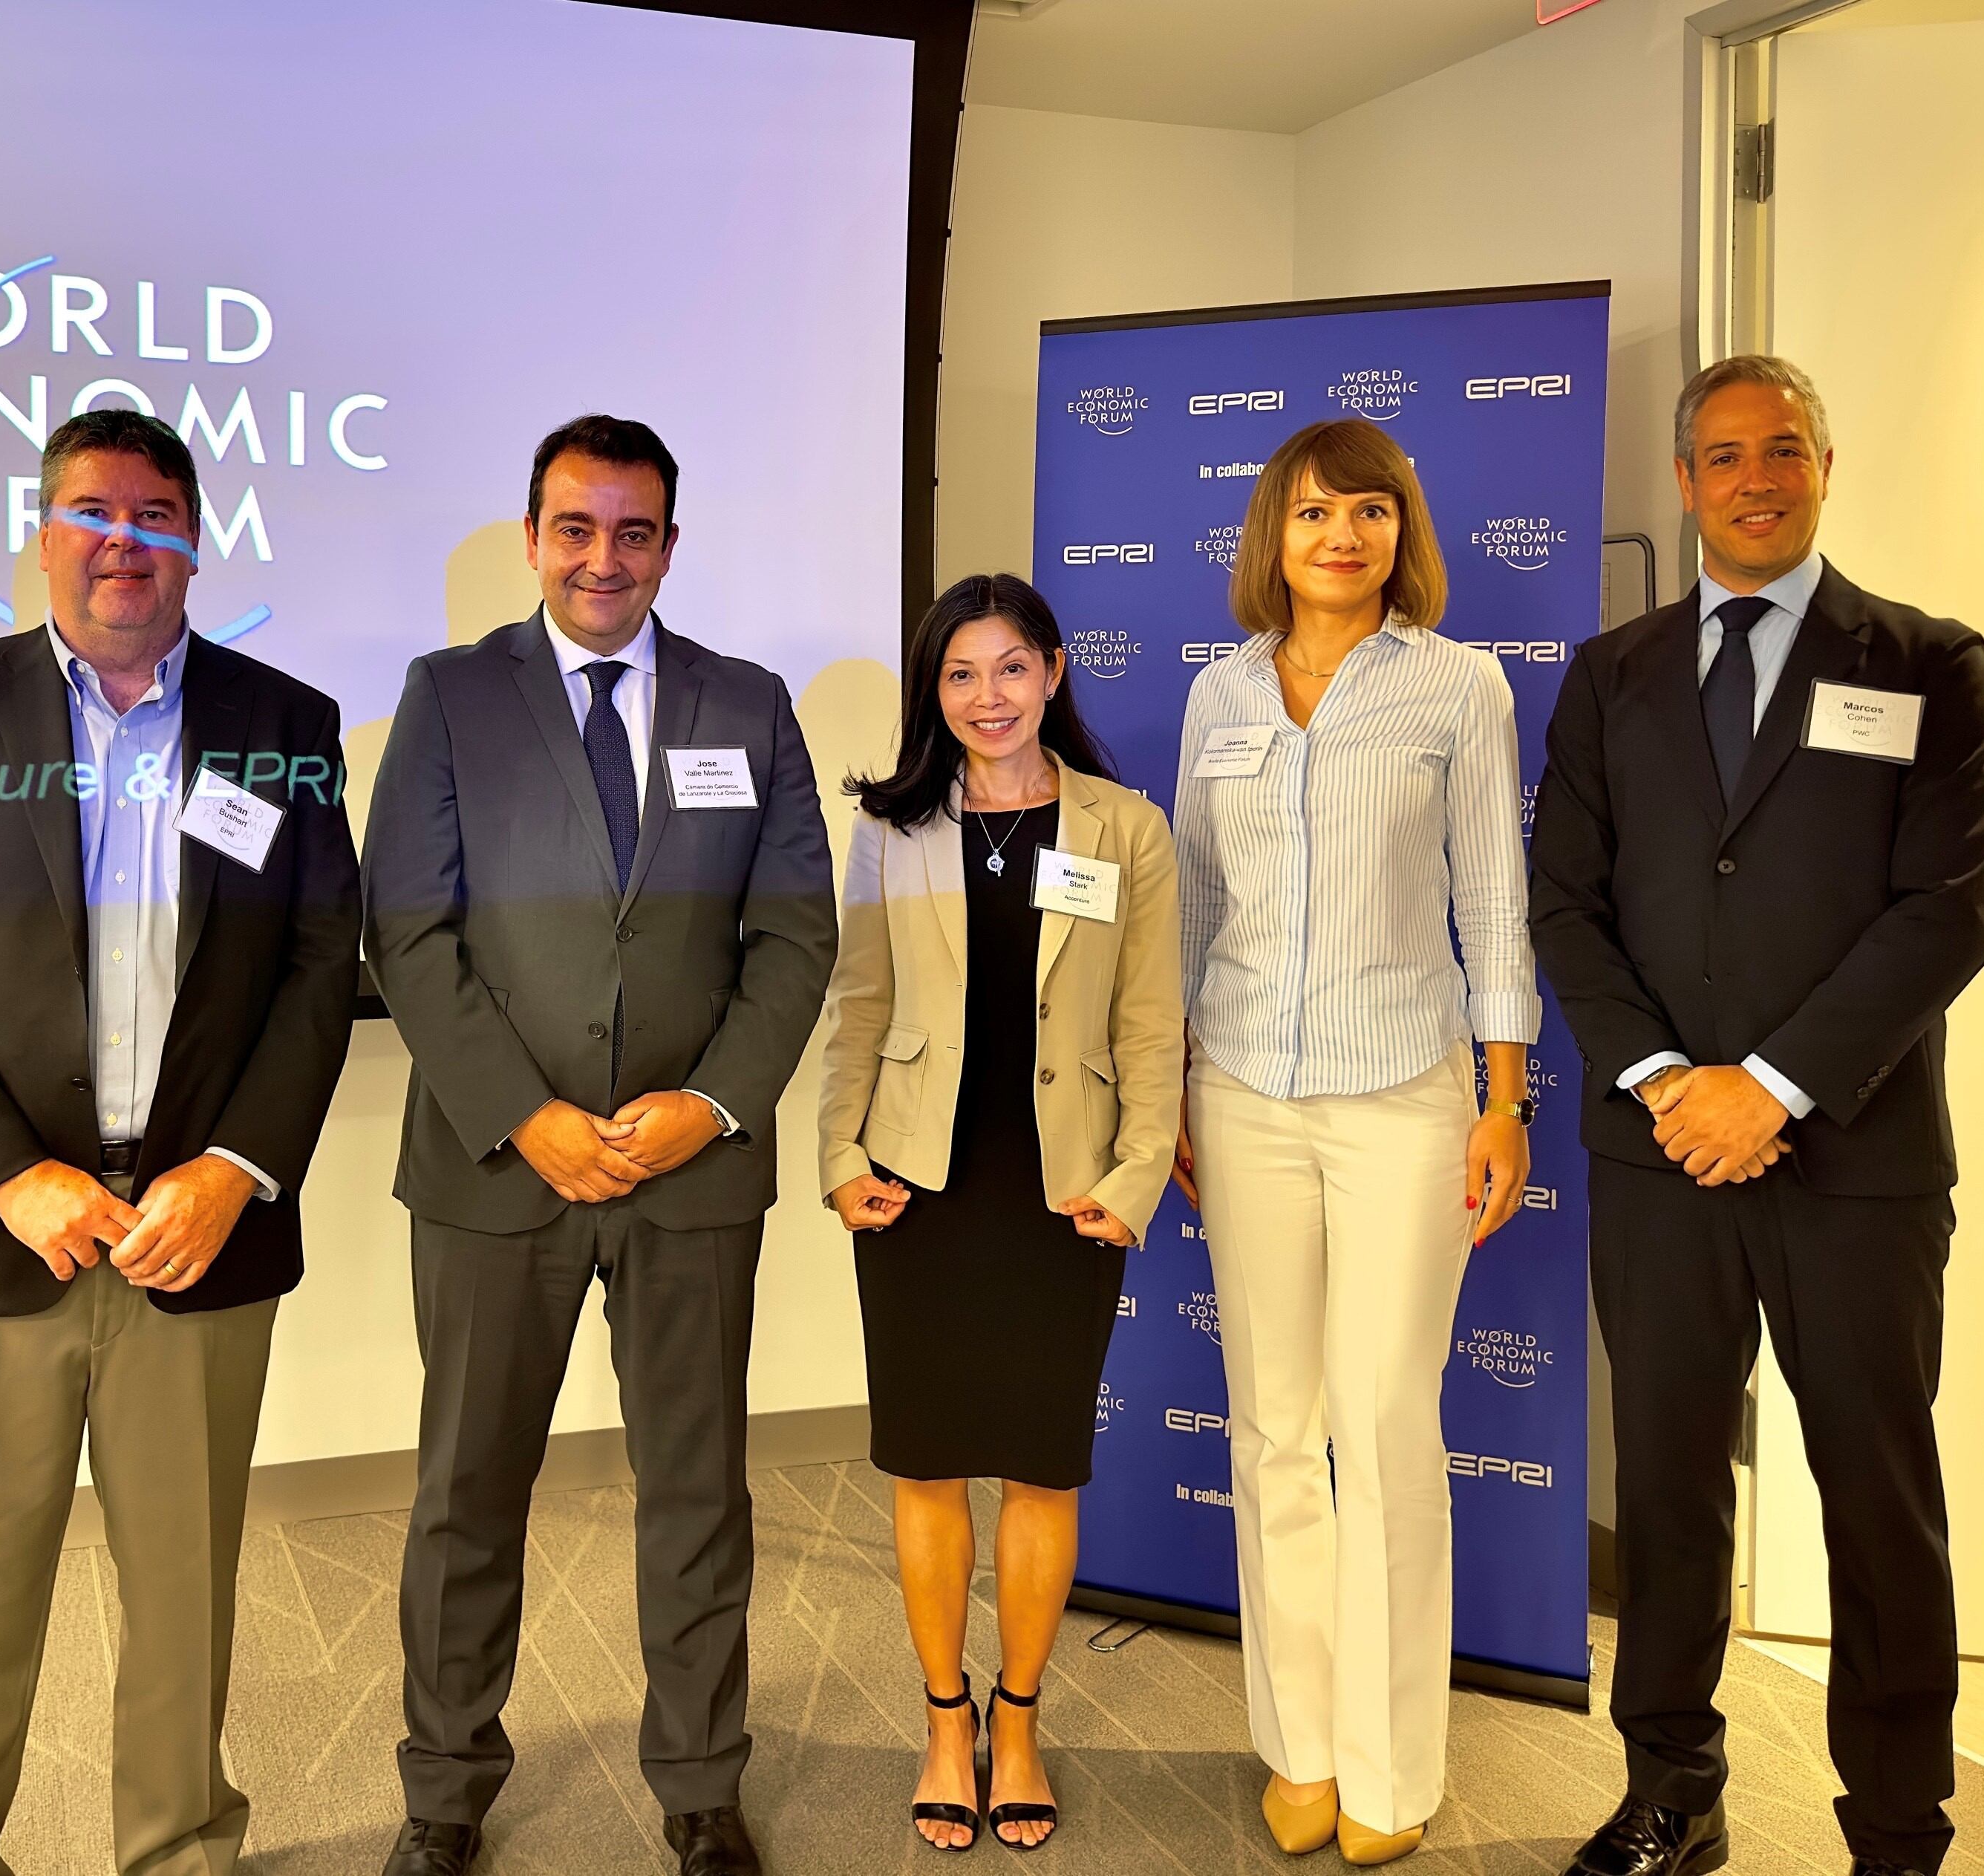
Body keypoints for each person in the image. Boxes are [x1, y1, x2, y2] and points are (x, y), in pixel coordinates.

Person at [0, 408, 362, 1876]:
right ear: (44, 531)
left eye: (151, 514)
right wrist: (9, 1171)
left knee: (183, 1600)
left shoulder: (284, 727)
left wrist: (233, 1166)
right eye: (88, 511)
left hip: (194, 1230)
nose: (120, 543)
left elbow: (324, 958)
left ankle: (179, 1850)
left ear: (195, 539)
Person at [1532, 356, 1984, 1876]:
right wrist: (1674, 1087)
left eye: (1781, 451)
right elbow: (1567, 907)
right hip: (1661, 1158)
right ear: (1683, 482)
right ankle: (1672, 1787)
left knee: (1875, 1498)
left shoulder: (1927, 662)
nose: (1753, 478)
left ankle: (1897, 1825)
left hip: (1853, 1159)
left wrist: (1775, 1086)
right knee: (1669, 1491)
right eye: (1723, 455)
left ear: (1822, 467)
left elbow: (1946, 914)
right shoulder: (1610, 676)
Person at [362, 415, 836, 1876]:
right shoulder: (450, 698)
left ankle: (701, 1785)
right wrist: (526, 1114)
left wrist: (714, 1103)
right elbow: (408, 929)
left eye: (634, 532)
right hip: (497, 1164)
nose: (602, 557)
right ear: (532, 539)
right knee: (467, 1490)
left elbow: (796, 928)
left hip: (689, 1171)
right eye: (576, 528)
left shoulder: (747, 706)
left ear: (670, 548)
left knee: (696, 1487)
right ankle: (444, 1796)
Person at [1172, 417, 1539, 1867]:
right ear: (1274, 532)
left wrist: (1504, 1098)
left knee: (1380, 1422)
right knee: (1270, 1430)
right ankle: (1301, 1747)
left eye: (1369, 512)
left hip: (1404, 1094)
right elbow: (1197, 910)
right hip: (1246, 1094)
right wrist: (1188, 1083)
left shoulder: (1458, 687)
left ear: (1402, 532)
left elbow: (1493, 900)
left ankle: (1393, 1765)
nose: (1342, 536)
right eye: (1315, 512)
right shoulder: (1217, 696)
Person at [816, 573, 1182, 1854]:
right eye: (961, 674)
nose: (988, 697)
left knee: (1038, 1462)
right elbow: (857, 1007)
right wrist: (836, 1156)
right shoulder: (888, 828)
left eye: (1011, 668)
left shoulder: (1125, 828)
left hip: (1061, 1186)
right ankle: (940, 1715)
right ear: (936, 689)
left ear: (1055, 671)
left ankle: (1015, 1718)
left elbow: (1149, 1020)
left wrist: (1136, 1179)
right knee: (924, 1461)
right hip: (915, 1185)